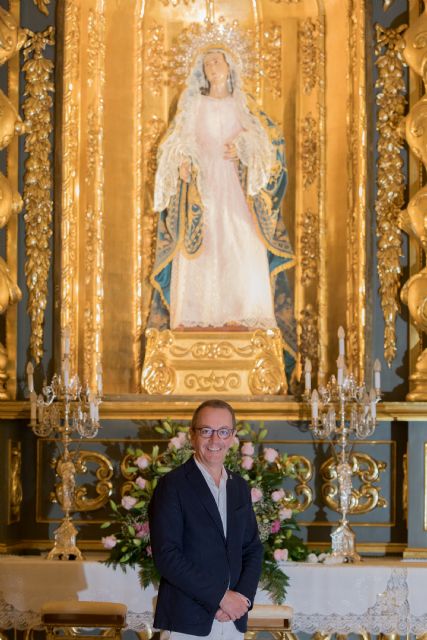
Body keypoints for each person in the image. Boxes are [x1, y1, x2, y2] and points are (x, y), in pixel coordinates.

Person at [149, 46, 296, 363]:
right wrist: (183, 161)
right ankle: (197, 319)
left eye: (217, 60)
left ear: (230, 66)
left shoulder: (244, 107)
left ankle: (243, 317)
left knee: (240, 246)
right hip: (202, 192)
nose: (212, 66)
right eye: (207, 62)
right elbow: (175, 143)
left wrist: (244, 148)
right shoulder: (194, 105)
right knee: (202, 250)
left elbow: (269, 146)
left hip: (236, 190)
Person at [148, 399, 263, 639]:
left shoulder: (240, 487)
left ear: (232, 437)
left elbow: (252, 548)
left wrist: (241, 598)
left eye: (223, 432)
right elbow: (167, 556)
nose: (215, 440)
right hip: (187, 621)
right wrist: (221, 598)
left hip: (232, 620)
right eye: (206, 431)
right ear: (192, 435)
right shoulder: (172, 486)